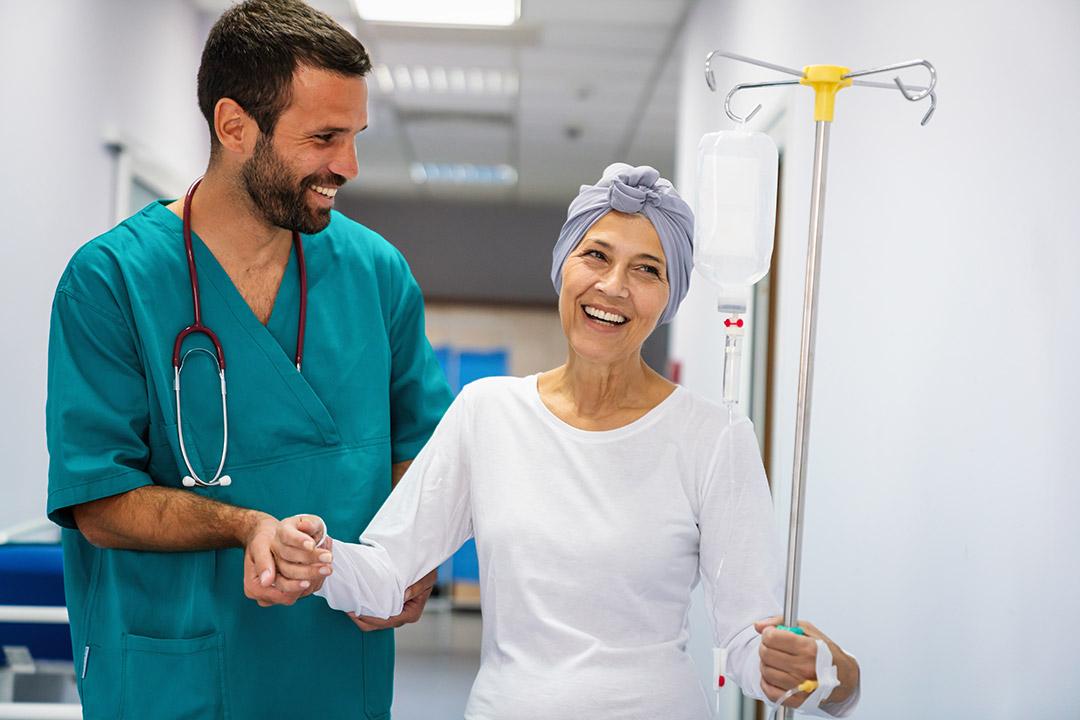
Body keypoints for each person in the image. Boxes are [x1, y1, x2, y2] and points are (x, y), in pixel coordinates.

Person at [270, 164, 862, 719]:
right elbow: (387, 573)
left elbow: (745, 642)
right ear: (563, 266)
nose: (613, 286)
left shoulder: (713, 437)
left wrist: (827, 676)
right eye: (596, 255)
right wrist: (319, 556)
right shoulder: (488, 412)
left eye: (647, 269)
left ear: (670, 297)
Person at [44, 1, 451, 718]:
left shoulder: (375, 273)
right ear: (235, 126)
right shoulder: (110, 282)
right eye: (324, 137)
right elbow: (98, 500)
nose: (347, 166)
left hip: (334, 669)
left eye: (355, 137)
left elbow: (422, 448)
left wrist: (417, 556)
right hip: (177, 672)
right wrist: (244, 527)